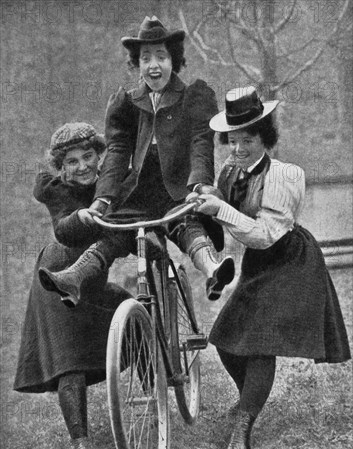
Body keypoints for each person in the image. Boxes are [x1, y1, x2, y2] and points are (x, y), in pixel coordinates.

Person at [193, 87, 351, 449]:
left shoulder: (285, 175)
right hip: (258, 265)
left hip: (291, 260)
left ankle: (242, 431)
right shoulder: (231, 173)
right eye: (233, 140)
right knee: (225, 339)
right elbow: (224, 215)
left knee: (260, 345)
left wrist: (220, 209)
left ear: (265, 138)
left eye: (248, 139)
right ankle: (247, 401)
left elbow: (264, 235)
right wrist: (203, 201)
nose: (238, 148)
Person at [38, 16, 234, 307]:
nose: (154, 65)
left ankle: (212, 269)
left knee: (185, 222)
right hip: (138, 188)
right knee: (116, 230)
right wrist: (103, 199)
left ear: (174, 60)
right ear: (137, 64)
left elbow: (200, 143)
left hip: (179, 186)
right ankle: (74, 278)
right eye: (146, 58)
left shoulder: (194, 96)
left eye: (161, 57)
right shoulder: (126, 102)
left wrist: (201, 184)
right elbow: (117, 151)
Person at [14, 122, 132, 449]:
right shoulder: (58, 192)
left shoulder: (111, 186)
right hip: (57, 274)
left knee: (134, 310)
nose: (81, 167)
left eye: (87, 157)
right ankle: (81, 446)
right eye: (71, 162)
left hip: (93, 280)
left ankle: (153, 402)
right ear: (60, 168)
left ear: (100, 157)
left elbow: (125, 229)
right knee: (72, 360)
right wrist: (82, 215)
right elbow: (64, 230)